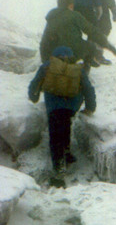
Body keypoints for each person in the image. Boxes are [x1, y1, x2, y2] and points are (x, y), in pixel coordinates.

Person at [28, 46, 97, 188]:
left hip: (54, 107)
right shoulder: (77, 69)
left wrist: (33, 96)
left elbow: (34, 84)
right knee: (66, 127)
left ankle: (59, 172)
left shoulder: (48, 66)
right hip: (71, 107)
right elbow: (88, 88)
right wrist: (90, 107)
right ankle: (67, 154)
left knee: (55, 138)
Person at [40, 0, 116, 69]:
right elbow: (92, 31)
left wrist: (45, 61)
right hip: (73, 53)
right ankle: (84, 72)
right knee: (91, 47)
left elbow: (44, 42)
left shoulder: (51, 18)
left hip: (56, 55)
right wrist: (107, 45)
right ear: (71, 5)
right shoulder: (75, 15)